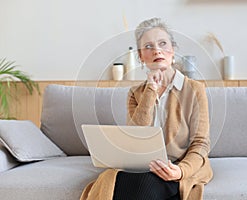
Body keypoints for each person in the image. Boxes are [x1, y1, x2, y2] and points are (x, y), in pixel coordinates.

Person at [80, 17, 213, 200]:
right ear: (141, 57)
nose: (157, 50)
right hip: (142, 167)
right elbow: (135, 136)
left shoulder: (195, 90)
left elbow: (201, 143)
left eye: (163, 43)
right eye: (148, 46)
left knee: (142, 188)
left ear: (173, 51)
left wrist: (180, 171)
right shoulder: (136, 93)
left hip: (178, 166)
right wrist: (151, 89)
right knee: (118, 183)